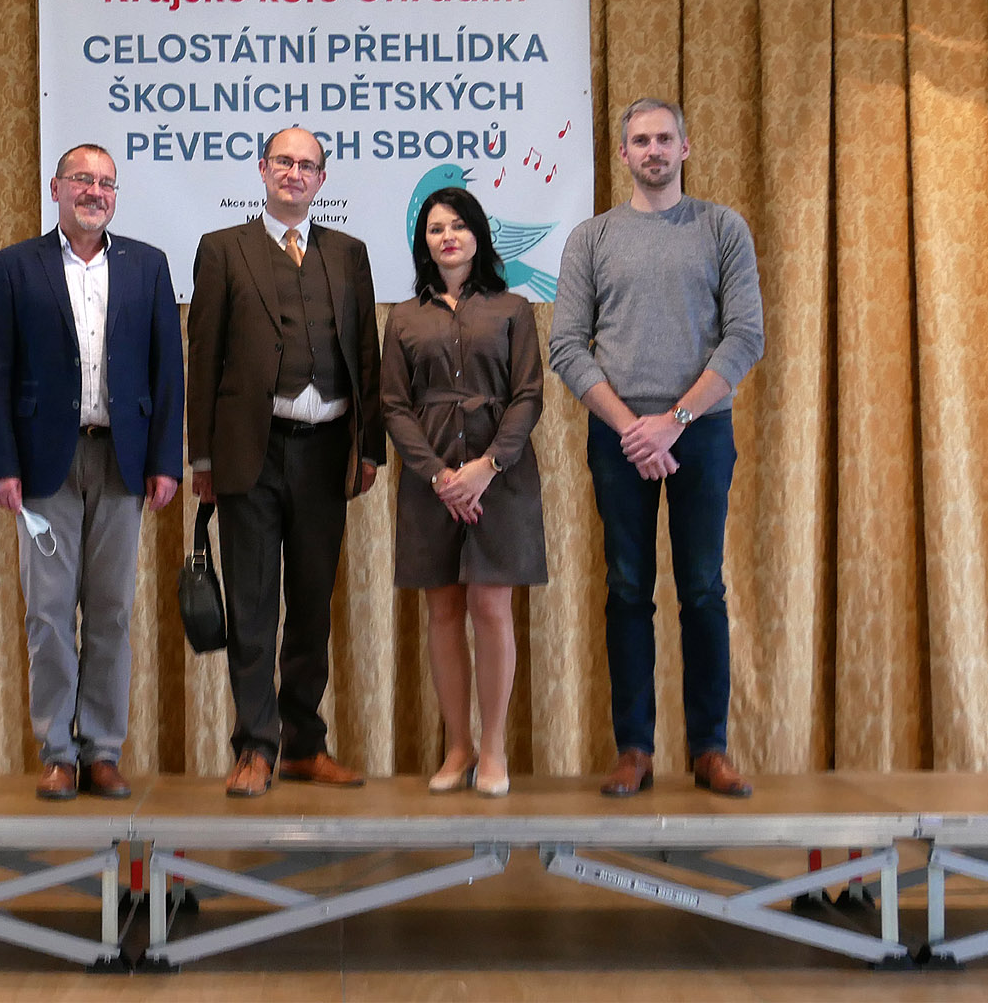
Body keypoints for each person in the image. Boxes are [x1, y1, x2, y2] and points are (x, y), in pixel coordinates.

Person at [547, 97, 765, 798]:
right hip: (619, 439)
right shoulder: (591, 238)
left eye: (664, 139)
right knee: (626, 589)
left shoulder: (723, 229)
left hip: (701, 432)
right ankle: (634, 750)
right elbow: (566, 346)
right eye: (640, 140)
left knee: (702, 588)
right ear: (622, 154)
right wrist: (632, 428)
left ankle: (710, 749)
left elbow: (745, 337)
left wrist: (673, 420)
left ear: (685, 147)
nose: (653, 150)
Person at [0, 143, 183, 801]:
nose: (95, 191)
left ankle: (101, 750)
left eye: (106, 183)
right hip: (45, 466)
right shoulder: (16, 266)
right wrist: (1, 464)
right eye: (82, 180)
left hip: (123, 461)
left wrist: (164, 461)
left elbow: (167, 372)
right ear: (56, 188)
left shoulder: (147, 266)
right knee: (47, 614)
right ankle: (57, 753)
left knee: (112, 612)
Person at [186, 126, 385, 798]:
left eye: (307, 165)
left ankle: (304, 743)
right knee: (251, 605)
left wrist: (370, 448)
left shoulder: (349, 253)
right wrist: (202, 456)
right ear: (262, 169)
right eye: (284, 162)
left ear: (322, 180)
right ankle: (254, 746)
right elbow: (203, 355)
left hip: (327, 452)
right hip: (251, 452)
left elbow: (366, 354)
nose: (294, 173)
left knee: (311, 605)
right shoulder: (223, 249)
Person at [382, 187, 547, 799]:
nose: (447, 236)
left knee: (492, 608)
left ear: (478, 234)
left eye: (457, 225)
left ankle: (494, 747)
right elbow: (394, 405)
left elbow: (528, 394)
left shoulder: (513, 309)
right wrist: (438, 476)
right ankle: (458, 746)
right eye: (435, 228)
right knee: (444, 612)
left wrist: (486, 467)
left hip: (500, 478)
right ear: (423, 242)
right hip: (430, 483)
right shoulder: (404, 316)